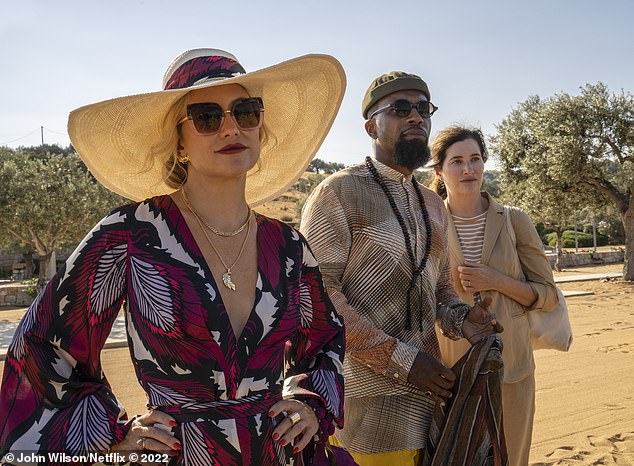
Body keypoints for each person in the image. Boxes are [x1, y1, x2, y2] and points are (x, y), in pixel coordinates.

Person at [0, 48, 348, 466]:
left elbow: (325, 338)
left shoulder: (289, 247)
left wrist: (309, 401)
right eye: (207, 117)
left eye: (246, 111)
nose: (230, 128)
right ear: (179, 143)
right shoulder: (129, 235)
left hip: (278, 455)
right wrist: (110, 432)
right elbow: (43, 343)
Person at [300, 72, 499, 466]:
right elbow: (317, 296)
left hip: (431, 405)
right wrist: (405, 363)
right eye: (401, 109)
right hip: (363, 411)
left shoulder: (430, 202)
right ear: (371, 125)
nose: (416, 118)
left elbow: (439, 290)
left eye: (423, 109)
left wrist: (463, 320)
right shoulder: (337, 192)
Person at [429, 125, 558, 466]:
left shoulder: (515, 221)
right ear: (440, 170)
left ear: (484, 164)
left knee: (512, 458)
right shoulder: (427, 223)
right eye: (457, 161)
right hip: (450, 370)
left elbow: (548, 295)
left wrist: (496, 280)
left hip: (512, 367)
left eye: (475, 159)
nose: (468, 169)